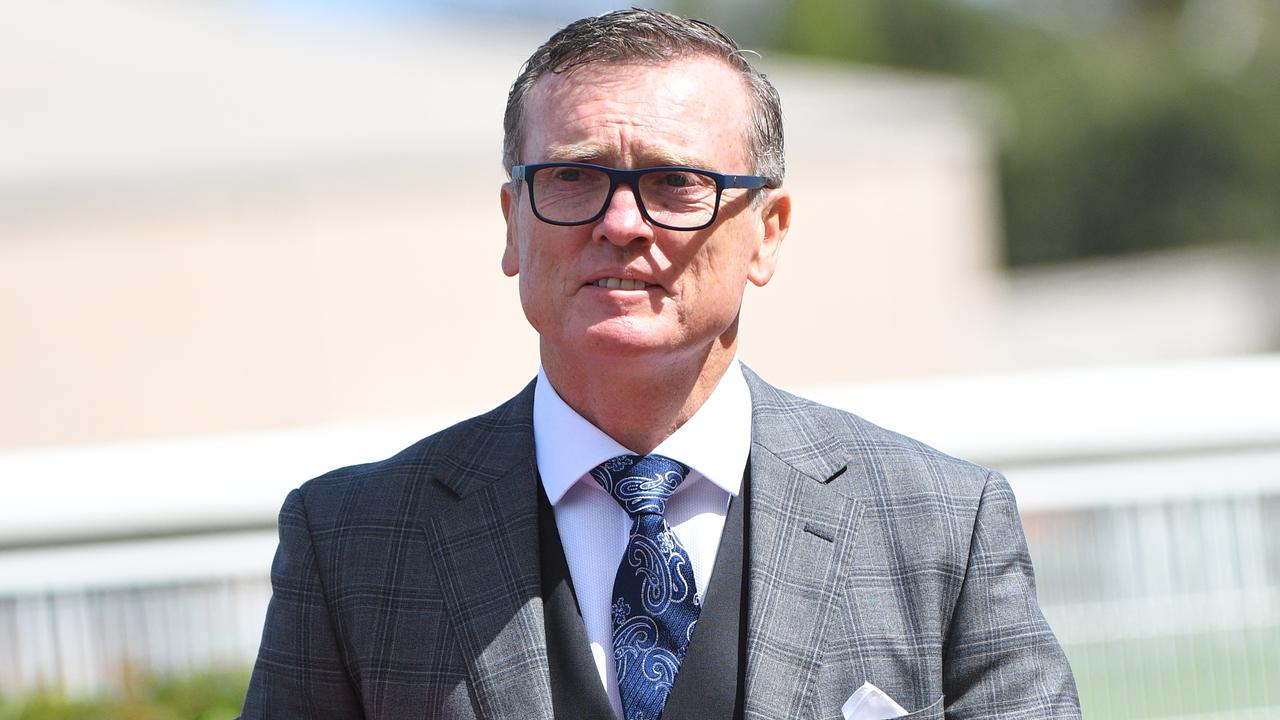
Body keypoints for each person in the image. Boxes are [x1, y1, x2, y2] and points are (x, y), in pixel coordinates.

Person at [240, 9, 1080, 720]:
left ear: (768, 231)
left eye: (676, 182)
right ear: (511, 223)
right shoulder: (353, 543)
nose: (619, 222)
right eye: (572, 177)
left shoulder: (940, 526)